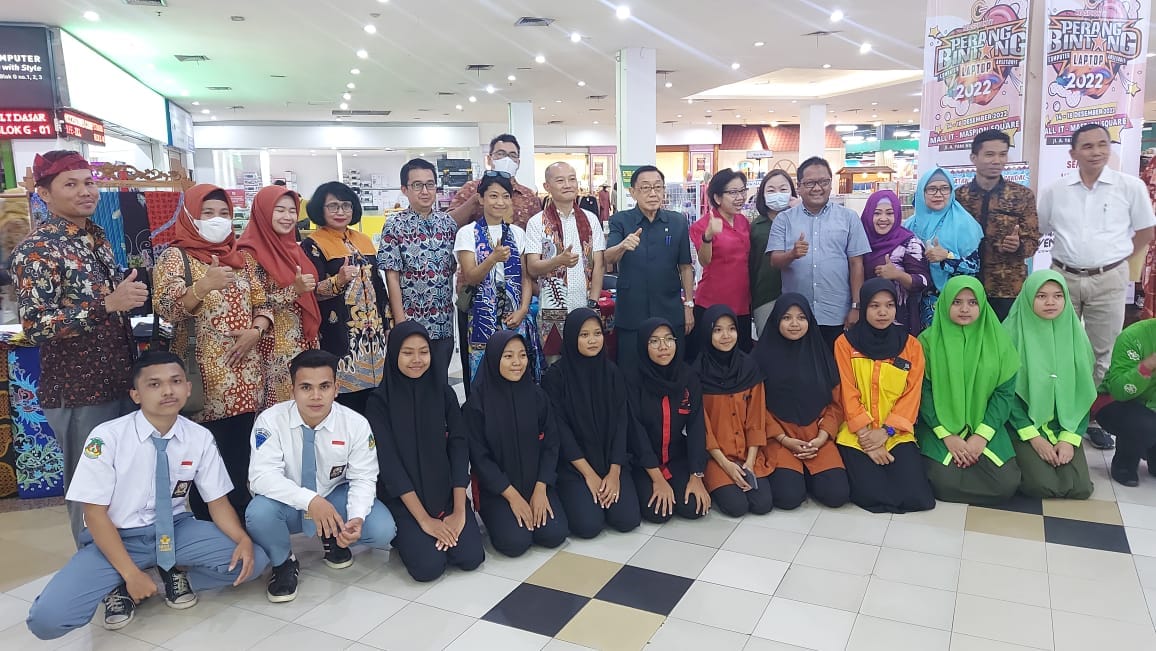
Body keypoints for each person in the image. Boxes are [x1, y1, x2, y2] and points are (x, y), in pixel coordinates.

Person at [25, 352, 267, 639]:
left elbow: (217, 503)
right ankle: (119, 583)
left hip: (176, 531)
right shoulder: (107, 437)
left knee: (254, 560)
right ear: (135, 395)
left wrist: (241, 539)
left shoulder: (198, 437)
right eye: (154, 384)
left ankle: (166, 578)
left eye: (176, 381)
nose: (168, 391)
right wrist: (130, 574)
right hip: (118, 536)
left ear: (188, 388)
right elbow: (94, 514)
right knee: (47, 620)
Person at [11, 151, 145, 544]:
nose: (85, 191)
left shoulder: (97, 238)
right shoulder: (38, 249)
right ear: (44, 194)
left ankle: (131, 560)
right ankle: (97, 566)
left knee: (126, 481)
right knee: (91, 487)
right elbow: (35, 326)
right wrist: (107, 304)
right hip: (78, 391)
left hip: (119, 381)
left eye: (89, 182)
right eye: (71, 184)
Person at [154, 184, 271, 521]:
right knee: (207, 464)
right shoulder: (174, 257)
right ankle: (212, 531)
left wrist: (255, 331)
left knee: (242, 461)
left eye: (223, 213)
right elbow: (167, 309)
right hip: (204, 383)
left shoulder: (242, 258)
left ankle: (244, 530)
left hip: (247, 379)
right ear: (191, 216)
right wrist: (204, 285)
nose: (217, 220)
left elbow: (262, 304)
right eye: (207, 213)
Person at [246, 350, 397, 603]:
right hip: (288, 502)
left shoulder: (355, 424)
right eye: (306, 387)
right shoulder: (270, 421)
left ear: (336, 389)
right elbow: (261, 476)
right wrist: (311, 501)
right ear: (292, 390)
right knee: (258, 514)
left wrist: (357, 516)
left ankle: (334, 536)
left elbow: (364, 477)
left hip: (332, 496)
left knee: (382, 530)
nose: (316, 396)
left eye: (324, 386)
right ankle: (283, 562)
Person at [1039, 123, 1156, 449]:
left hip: (1109, 279)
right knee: (1058, 347)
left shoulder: (1130, 187)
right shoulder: (1056, 190)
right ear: (1073, 152)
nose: (1096, 152)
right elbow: (1041, 228)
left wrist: (1117, 262)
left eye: (1102, 144)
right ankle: (1055, 412)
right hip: (1063, 278)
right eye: (1087, 146)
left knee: (1102, 352)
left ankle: (1089, 417)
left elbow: (1146, 231)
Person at [367, 321, 484, 581]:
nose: (417, 360)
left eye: (424, 352)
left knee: (470, 557)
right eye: (407, 353)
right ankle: (408, 534)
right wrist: (424, 520)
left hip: (445, 496)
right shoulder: (379, 403)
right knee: (429, 567)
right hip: (405, 501)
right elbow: (390, 466)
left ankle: (435, 529)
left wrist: (459, 510)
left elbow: (459, 448)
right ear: (394, 354)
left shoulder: (444, 393)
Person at [916, 277, 1021, 505]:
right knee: (944, 482)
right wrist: (947, 436)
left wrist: (981, 437)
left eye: (972, 302)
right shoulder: (926, 342)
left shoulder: (1000, 342)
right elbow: (923, 393)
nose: (965, 309)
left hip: (985, 423)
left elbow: (1004, 395)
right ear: (944, 303)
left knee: (1005, 484)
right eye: (957, 302)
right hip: (939, 426)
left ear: (982, 304)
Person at [464, 331, 569, 557]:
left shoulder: (537, 396)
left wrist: (541, 488)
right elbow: (480, 459)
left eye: (522, 355)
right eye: (508, 356)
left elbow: (551, 445)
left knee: (554, 534)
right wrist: (512, 496)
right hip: (499, 491)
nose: (517, 363)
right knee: (515, 542)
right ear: (494, 358)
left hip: (536, 484)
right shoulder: (477, 405)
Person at [835, 278, 935, 513]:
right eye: (875, 306)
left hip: (895, 432)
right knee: (871, 494)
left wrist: (886, 432)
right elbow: (847, 392)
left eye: (889, 305)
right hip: (857, 432)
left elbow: (911, 395)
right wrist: (867, 438)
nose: (883, 312)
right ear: (864, 307)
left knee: (917, 497)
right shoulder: (845, 344)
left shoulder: (911, 346)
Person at [542, 309, 642, 538]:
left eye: (597, 333)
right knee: (589, 526)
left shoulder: (612, 373)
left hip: (609, 460)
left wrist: (614, 471)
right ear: (571, 337)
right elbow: (561, 431)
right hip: (574, 466)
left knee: (627, 519)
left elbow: (621, 423)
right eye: (584, 335)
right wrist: (588, 474)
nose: (593, 340)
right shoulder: (556, 378)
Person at [1003, 271, 1095, 499]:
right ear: (1028, 298)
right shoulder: (1009, 336)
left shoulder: (1077, 337)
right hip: (1021, 425)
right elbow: (1005, 394)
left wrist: (1069, 439)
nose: (1050, 302)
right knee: (1042, 486)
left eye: (1057, 296)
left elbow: (1084, 394)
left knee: (1080, 488)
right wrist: (1034, 439)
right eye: (1041, 296)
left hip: (1064, 425)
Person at [754, 295, 850, 510]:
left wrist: (822, 436)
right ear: (776, 320)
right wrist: (783, 438)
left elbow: (836, 403)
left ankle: (806, 474)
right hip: (779, 436)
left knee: (837, 495)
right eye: (787, 317)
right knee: (788, 498)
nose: (794, 323)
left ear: (810, 321)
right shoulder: (760, 359)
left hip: (816, 436)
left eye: (801, 317)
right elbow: (755, 407)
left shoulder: (822, 356)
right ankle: (798, 475)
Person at [301, 181, 388, 415]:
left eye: (346, 205)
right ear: (320, 209)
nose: (340, 211)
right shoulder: (313, 245)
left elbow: (379, 287)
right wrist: (337, 281)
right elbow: (311, 292)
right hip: (339, 335)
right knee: (347, 404)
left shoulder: (364, 240)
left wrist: (388, 324)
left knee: (377, 402)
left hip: (375, 338)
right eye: (333, 206)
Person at [768, 156, 871, 349]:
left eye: (823, 182)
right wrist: (792, 254)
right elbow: (774, 261)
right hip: (797, 316)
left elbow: (856, 264)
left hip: (837, 313)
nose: (817, 188)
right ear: (799, 187)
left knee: (835, 364)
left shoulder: (849, 218)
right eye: (810, 183)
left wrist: (856, 307)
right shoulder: (784, 220)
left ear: (831, 184)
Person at [237, 185, 321, 412]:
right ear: (263, 212)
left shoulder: (294, 249)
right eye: (280, 210)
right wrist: (293, 290)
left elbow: (310, 291)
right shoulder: (248, 254)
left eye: (292, 211)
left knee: (308, 408)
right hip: (273, 348)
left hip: (304, 342)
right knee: (281, 414)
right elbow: (252, 303)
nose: (288, 217)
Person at [605, 166, 696, 370]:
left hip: (669, 309)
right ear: (633, 192)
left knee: (671, 369)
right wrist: (622, 246)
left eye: (657, 187)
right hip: (632, 311)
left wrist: (689, 305)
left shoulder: (677, 221)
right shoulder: (621, 220)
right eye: (645, 188)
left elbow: (685, 266)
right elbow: (608, 257)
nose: (653, 193)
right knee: (631, 370)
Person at [378, 159, 459, 385]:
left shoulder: (448, 224)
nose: (425, 191)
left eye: (430, 184)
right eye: (417, 185)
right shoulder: (394, 225)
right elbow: (392, 277)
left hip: (443, 323)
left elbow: (455, 269)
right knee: (411, 386)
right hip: (412, 322)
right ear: (405, 189)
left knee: (439, 384)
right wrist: (401, 324)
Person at [455, 172, 541, 383]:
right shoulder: (467, 233)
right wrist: (492, 259)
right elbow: (471, 277)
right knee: (484, 373)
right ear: (481, 199)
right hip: (481, 315)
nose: (500, 202)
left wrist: (523, 310)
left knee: (516, 367)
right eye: (493, 196)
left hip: (514, 315)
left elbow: (526, 278)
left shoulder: (517, 233)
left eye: (505, 196)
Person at [627, 318, 712, 522]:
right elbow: (636, 432)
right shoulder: (632, 380)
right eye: (654, 341)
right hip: (643, 462)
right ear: (643, 345)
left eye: (668, 339)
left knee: (694, 508)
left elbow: (696, 425)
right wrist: (657, 479)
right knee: (658, 513)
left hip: (676, 458)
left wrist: (696, 475)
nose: (663, 346)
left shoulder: (688, 377)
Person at [693, 305, 774, 516]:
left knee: (762, 504)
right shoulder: (697, 374)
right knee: (736, 507)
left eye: (731, 329)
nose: (726, 336)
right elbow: (702, 427)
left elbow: (757, 418)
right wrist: (725, 464)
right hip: (715, 457)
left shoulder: (749, 368)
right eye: (718, 330)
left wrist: (750, 462)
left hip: (748, 453)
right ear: (707, 333)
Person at [954, 129, 1041, 321]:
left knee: (1006, 337)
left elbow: (1033, 241)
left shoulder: (1022, 195)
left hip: (1007, 288)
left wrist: (1018, 246)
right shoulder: (959, 197)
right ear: (974, 158)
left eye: (1002, 154)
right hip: (965, 285)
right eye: (989, 154)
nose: (997, 161)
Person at [525, 162, 606, 364]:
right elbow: (532, 267)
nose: (568, 184)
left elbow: (599, 265)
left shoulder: (590, 219)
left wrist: (593, 303)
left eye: (572, 179)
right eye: (560, 180)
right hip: (552, 310)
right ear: (547, 186)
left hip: (586, 306)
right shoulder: (537, 222)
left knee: (588, 365)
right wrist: (557, 261)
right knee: (556, 367)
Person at [906, 167, 983, 329]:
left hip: (953, 302)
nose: (938, 194)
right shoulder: (910, 225)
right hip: (914, 303)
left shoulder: (964, 224)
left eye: (944, 188)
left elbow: (974, 267)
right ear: (922, 192)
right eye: (932, 189)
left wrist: (947, 256)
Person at [689, 170, 754, 359]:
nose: (740, 197)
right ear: (717, 197)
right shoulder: (702, 225)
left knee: (740, 357)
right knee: (710, 358)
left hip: (742, 303)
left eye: (742, 191)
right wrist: (708, 236)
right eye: (733, 192)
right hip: (712, 303)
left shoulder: (743, 221)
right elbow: (704, 260)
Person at [1094, 318, 1156, 486]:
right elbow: (1119, 391)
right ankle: (1124, 463)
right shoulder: (1134, 336)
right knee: (1146, 425)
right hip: (1115, 403)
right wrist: (1147, 366)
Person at [861, 190, 930, 335]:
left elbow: (923, 282)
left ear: (897, 215)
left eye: (889, 213)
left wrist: (897, 275)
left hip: (898, 320)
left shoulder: (909, 242)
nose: (883, 218)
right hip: (863, 315)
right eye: (877, 213)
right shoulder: (858, 240)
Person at [448, 134, 541, 230]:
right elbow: (448, 225)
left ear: (518, 163)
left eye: (512, 155)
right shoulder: (471, 188)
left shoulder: (529, 196)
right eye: (501, 154)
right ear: (489, 159)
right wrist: (475, 201)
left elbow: (538, 230)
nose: (507, 159)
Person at [750, 170, 796, 338]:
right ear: (762, 195)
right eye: (771, 190)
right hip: (765, 295)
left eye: (783, 189)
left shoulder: (801, 220)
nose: (777, 194)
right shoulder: (756, 227)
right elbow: (751, 264)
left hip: (798, 292)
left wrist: (801, 210)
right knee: (767, 342)